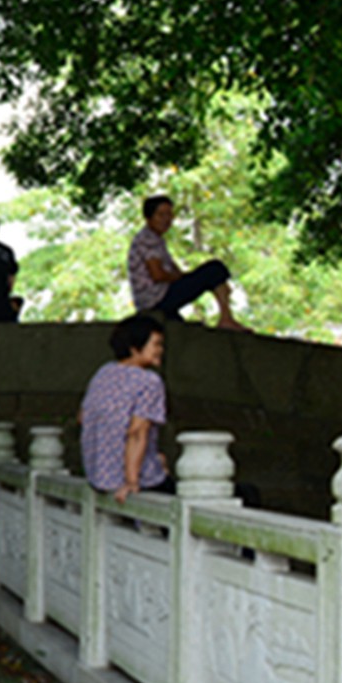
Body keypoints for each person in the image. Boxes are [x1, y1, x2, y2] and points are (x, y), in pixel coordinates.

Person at [80, 312, 173, 502]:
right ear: (135, 348)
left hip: (98, 478)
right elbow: (137, 433)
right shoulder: (149, 381)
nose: (160, 350)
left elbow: (82, 417)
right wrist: (131, 481)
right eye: (155, 344)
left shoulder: (104, 372)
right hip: (137, 479)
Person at [128, 195, 245, 329]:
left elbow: (171, 269)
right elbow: (158, 275)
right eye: (161, 215)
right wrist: (183, 278)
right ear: (148, 218)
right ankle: (226, 318)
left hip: (152, 301)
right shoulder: (148, 240)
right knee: (215, 270)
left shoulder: (155, 239)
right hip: (158, 299)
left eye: (169, 214)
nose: (167, 219)